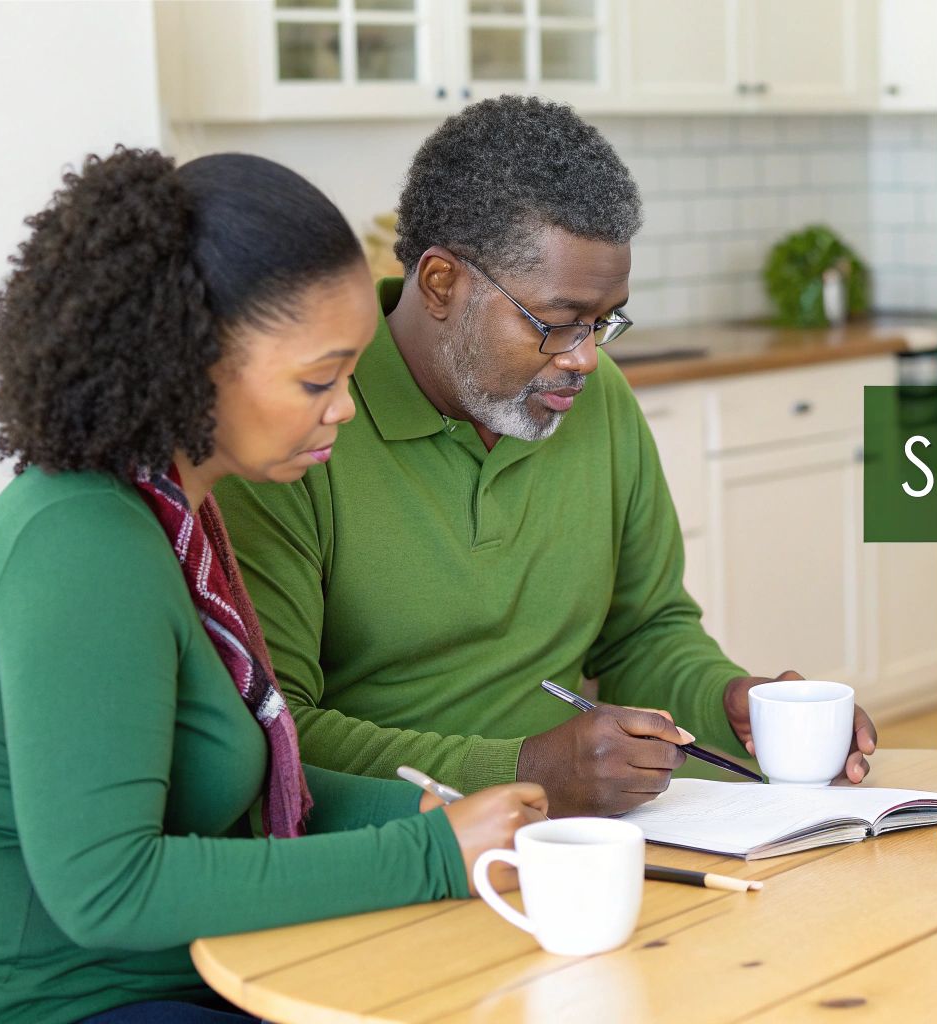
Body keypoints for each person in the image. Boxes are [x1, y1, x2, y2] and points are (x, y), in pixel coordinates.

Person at [0, 148, 548, 1024]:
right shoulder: (83, 546)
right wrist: (429, 852)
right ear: (183, 362)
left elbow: (238, 791)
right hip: (21, 998)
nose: (345, 407)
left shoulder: (172, 516)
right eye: (319, 378)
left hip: (145, 978)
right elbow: (110, 889)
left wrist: (425, 807)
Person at [214, 96, 876, 818]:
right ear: (441, 284)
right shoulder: (298, 429)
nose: (587, 359)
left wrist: (727, 701)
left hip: (584, 834)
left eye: (604, 321)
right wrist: (526, 770)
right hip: (400, 845)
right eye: (558, 323)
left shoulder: (599, 400)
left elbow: (645, 631)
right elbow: (277, 732)